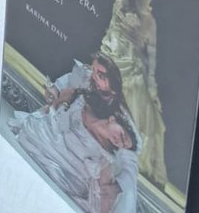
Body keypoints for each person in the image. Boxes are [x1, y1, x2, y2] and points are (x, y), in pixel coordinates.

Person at [11, 89, 140, 213]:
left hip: (66, 170)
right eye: (122, 135)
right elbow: (55, 106)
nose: (119, 142)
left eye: (123, 144)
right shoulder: (84, 104)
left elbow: (106, 190)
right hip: (46, 137)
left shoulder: (106, 156)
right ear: (113, 119)